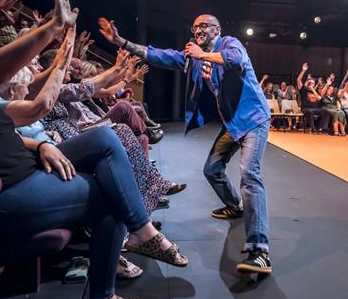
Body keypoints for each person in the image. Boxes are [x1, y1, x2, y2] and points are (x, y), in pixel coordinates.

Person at [0, 0, 187, 299]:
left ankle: (140, 232)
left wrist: (39, 146)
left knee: (107, 136)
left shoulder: (1, 102)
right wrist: (57, 35)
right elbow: (37, 104)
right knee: (112, 191)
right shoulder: (26, 87)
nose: (34, 67)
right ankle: (115, 278)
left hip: (35, 162)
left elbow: (15, 119)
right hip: (13, 189)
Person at [99, 14, 273, 274]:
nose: (198, 29)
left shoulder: (229, 43)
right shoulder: (194, 55)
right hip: (232, 124)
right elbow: (158, 55)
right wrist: (121, 41)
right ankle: (236, 206)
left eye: (203, 25)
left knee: (249, 174)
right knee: (212, 169)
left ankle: (259, 251)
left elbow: (236, 61)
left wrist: (201, 55)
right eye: (195, 27)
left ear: (217, 28)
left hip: (254, 120)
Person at [296, 63, 330, 134]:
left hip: (316, 109)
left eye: (312, 83)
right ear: (307, 83)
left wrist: (313, 90)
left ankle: (321, 129)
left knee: (326, 111)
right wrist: (303, 71)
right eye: (309, 83)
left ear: (314, 84)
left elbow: (319, 98)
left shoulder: (316, 91)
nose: (310, 84)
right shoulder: (303, 89)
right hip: (306, 109)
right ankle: (312, 128)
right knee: (309, 111)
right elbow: (298, 80)